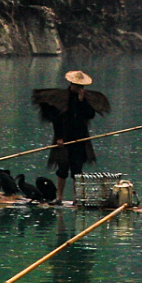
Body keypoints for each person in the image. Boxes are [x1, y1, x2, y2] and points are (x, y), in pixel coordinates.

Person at [31, 69, 110, 204]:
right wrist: (59, 138)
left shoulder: (85, 99)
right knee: (62, 168)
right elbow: (56, 119)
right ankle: (59, 197)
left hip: (80, 138)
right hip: (64, 137)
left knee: (77, 170)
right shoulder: (61, 98)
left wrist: (81, 101)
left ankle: (76, 198)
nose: (80, 89)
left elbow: (90, 115)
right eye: (77, 86)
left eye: (81, 87)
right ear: (71, 84)